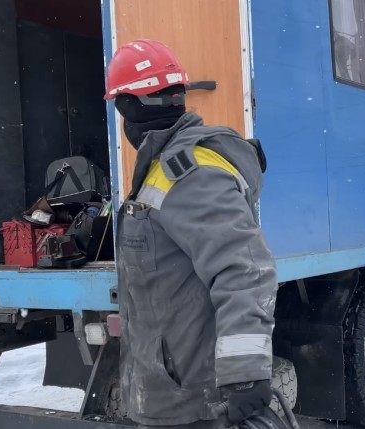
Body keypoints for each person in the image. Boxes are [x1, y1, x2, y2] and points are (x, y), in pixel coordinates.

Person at [104, 40, 278, 429]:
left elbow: (245, 270)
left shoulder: (188, 174)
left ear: (128, 109)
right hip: (170, 391)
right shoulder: (161, 168)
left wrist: (244, 372)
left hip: (192, 402)